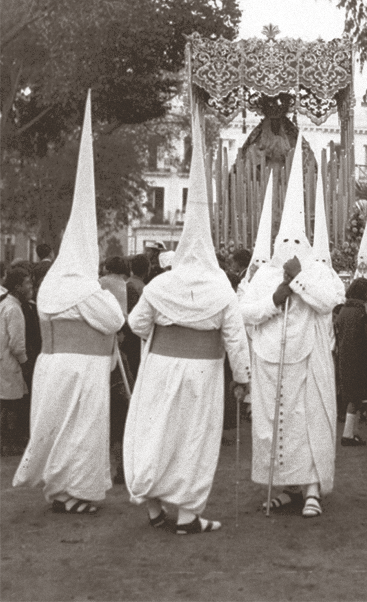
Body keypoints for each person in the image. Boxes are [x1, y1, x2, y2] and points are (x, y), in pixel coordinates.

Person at [123, 106, 250, 534]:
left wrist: (159, 337)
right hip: (203, 372)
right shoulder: (221, 289)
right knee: (193, 438)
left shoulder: (160, 286)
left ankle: (156, 509)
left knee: (156, 431)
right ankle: (188, 515)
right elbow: (235, 338)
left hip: (161, 367)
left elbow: (136, 324)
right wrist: (243, 378)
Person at [13, 91, 125, 514]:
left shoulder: (50, 287)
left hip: (51, 365)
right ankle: (77, 490)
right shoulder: (85, 289)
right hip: (84, 369)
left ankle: (59, 489)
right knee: (82, 429)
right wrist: (105, 293)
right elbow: (114, 320)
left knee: (56, 425)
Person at [240, 131, 342, 519]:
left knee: (308, 422)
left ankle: (312, 487)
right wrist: (276, 296)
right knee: (272, 426)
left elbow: (331, 299)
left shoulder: (320, 272)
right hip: (270, 362)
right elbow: (246, 312)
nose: (292, 246)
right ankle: (280, 485)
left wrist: (299, 279)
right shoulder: (264, 274)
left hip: (309, 362)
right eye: (286, 240)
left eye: (298, 240)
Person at [335, 278, 367, 446]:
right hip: (358, 358)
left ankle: (352, 432)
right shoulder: (361, 311)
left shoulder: (344, 310)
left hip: (345, 356)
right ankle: (348, 434)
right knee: (355, 398)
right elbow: (366, 335)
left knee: (352, 396)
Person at [0, 268, 33, 456]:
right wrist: (25, 363)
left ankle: (5, 441)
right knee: (12, 404)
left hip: (3, 360)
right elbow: (17, 344)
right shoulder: (14, 308)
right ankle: (9, 442)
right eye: (27, 283)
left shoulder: (5, 303)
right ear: (17, 286)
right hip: (11, 363)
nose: (31, 287)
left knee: (5, 403)